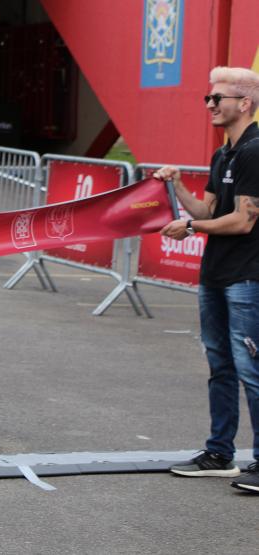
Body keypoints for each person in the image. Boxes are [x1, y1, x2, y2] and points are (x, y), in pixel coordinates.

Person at [156, 67, 259, 493]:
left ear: (245, 104)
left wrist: (191, 228)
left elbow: (243, 221)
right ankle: (220, 453)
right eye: (209, 98)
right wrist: (179, 186)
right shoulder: (223, 155)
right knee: (220, 366)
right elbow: (209, 211)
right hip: (216, 274)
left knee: (251, 369)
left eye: (218, 98)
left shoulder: (255, 151)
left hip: (247, 276)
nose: (211, 104)